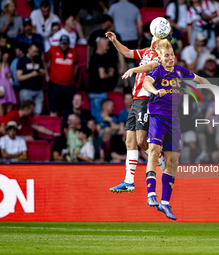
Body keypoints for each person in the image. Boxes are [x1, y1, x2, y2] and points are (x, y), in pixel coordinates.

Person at [141, 39, 212, 220]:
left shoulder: (180, 71)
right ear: (161, 58)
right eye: (166, 55)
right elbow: (146, 83)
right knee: (154, 153)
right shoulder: (157, 71)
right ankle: (151, 194)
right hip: (157, 117)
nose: (170, 58)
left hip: (174, 121)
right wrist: (156, 92)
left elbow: (197, 78)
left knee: (173, 162)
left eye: (172, 55)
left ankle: (165, 203)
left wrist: (212, 87)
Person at [106, 27, 167, 193]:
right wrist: (114, 40)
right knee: (130, 141)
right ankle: (128, 181)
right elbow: (126, 52)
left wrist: (134, 69)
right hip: (136, 100)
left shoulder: (161, 56)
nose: (154, 40)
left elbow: (151, 67)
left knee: (141, 140)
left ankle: (162, 161)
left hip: (146, 99)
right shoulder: (146, 51)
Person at [44, 35, 77, 116]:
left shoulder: (74, 51)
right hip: (55, 84)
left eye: (66, 43)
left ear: (69, 44)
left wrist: (74, 74)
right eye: (62, 43)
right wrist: (46, 74)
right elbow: (44, 60)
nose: (64, 45)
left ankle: (66, 127)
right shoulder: (52, 50)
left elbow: (76, 64)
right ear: (59, 43)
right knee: (54, 108)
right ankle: (54, 128)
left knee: (68, 109)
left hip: (69, 84)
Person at [88, 36, 117, 120]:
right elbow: (102, 75)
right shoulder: (99, 58)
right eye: (107, 45)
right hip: (99, 93)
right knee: (100, 118)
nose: (108, 48)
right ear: (101, 45)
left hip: (92, 93)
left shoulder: (92, 57)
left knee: (94, 117)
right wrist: (111, 75)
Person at [87, 14, 125, 78]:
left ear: (110, 22)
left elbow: (120, 52)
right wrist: (88, 62)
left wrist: (122, 66)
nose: (101, 24)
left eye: (103, 22)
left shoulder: (116, 36)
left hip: (111, 65)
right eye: (100, 22)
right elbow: (89, 48)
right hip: (97, 65)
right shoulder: (95, 34)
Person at [16, 41, 45, 115]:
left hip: (38, 89)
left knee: (38, 113)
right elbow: (18, 77)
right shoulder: (22, 60)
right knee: (26, 112)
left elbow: (43, 71)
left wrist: (41, 72)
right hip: (26, 90)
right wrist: (31, 74)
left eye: (36, 52)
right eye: (33, 51)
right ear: (28, 49)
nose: (35, 53)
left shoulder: (38, 59)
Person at [0, 47, 17, 116]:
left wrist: (10, 75)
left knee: (9, 116)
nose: (0, 53)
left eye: (0, 51)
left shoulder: (5, 64)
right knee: (0, 117)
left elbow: (12, 78)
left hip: (8, 90)